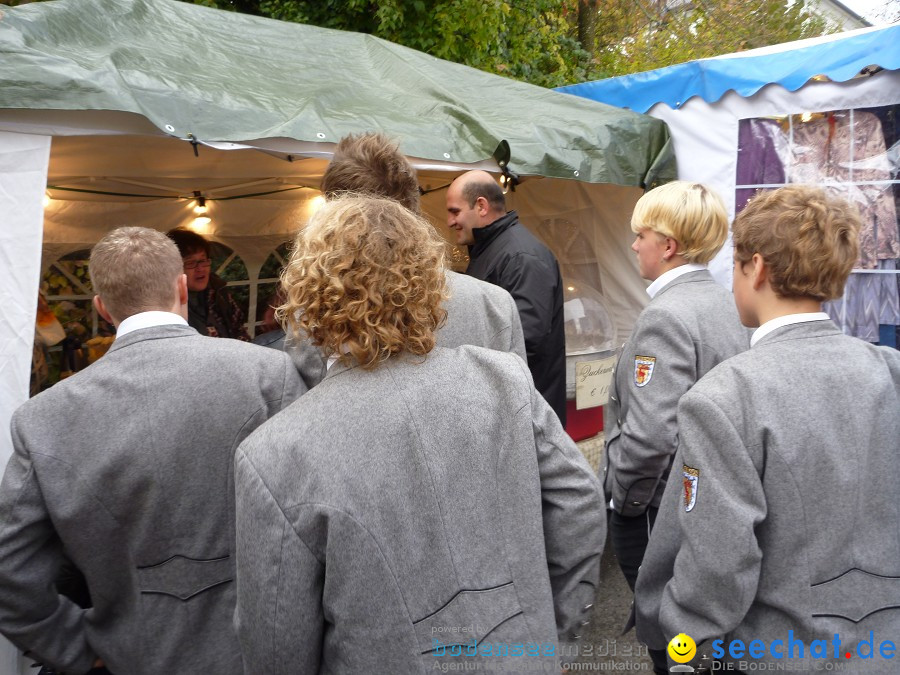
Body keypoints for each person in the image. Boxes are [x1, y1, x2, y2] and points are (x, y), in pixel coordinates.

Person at [233, 196, 606, 674]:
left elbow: (277, 645)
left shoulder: (275, 454)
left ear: (310, 294)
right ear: (428, 282)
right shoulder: (501, 379)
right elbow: (580, 505)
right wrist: (554, 638)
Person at [0, 227, 304, 675]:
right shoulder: (269, 375)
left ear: (102, 308)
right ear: (182, 286)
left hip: (131, 656)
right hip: (257, 652)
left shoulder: (43, 418)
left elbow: (9, 571)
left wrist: (72, 648)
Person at [634, 186, 900, 672]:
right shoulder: (889, 369)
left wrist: (683, 652)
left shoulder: (725, 397)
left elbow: (716, 566)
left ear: (755, 267)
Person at [603, 182, 748, 673]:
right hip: (707, 499)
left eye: (639, 234)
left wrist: (622, 503)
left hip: (660, 509)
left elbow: (649, 436)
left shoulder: (667, 313)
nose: (633, 244)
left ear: (667, 245)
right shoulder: (727, 302)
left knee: (669, 638)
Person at [279, 132, 527, 390]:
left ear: (333, 220)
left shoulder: (314, 313)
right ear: (414, 210)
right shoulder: (494, 304)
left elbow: (306, 411)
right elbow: (522, 412)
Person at [446, 170, 567, 425]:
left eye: (455, 211)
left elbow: (525, 340)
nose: (449, 221)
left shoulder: (522, 257)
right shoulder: (490, 251)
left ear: (481, 206)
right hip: (506, 411)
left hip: (526, 417)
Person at [166, 227, 250, 340]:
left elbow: (239, 329)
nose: (200, 268)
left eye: (203, 260)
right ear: (172, 268)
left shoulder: (219, 292)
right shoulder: (165, 304)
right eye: (190, 263)